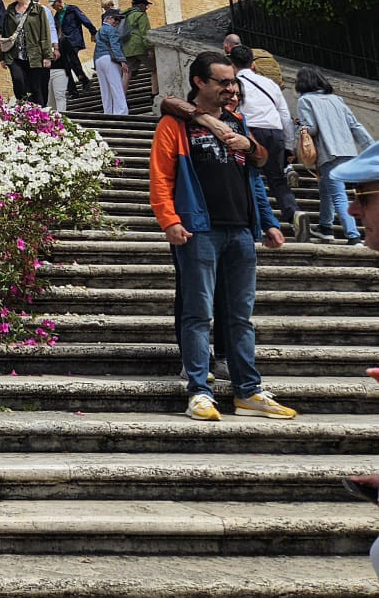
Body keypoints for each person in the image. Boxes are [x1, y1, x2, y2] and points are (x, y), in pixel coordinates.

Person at [150, 51, 293, 421]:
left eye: (232, 82)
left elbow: (254, 179)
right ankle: (199, 390)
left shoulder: (237, 122)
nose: (231, 88)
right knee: (198, 314)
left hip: (241, 230)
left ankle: (249, 390)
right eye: (223, 82)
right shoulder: (175, 124)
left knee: (241, 317)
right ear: (200, 82)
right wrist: (169, 219)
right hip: (199, 228)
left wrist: (268, 222)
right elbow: (161, 177)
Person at [295, 68, 375, 244]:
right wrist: (370, 147)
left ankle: (353, 236)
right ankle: (325, 226)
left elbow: (312, 128)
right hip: (348, 151)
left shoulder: (304, 101)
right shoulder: (337, 100)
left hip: (328, 152)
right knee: (326, 190)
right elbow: (355, 125)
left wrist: (298, 128)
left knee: (338, 194)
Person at [228, 43, 297, 225]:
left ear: (232, 65)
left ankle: (256, 221)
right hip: (275, 131)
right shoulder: (269, 84)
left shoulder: (235, 85)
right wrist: (289, 146)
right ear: (252, 63)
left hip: (249, 132)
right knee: (278, 179)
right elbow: (285, 115)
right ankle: (293, 214)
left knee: (250, 177)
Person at [0, 0, 53, 104]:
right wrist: (2, 56)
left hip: (33, 55)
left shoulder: (38, 9)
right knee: (18, 81)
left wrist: (47, 56)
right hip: (14, 55)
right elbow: (6, 34)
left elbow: (44, 33)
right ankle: (23, 108)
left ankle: (38, 114)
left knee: (35, 87)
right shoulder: (10, 9)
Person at [50, 0, 96, 91]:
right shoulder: (57, 16)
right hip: (63, 43)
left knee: (72, 60)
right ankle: (73, 89)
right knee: (65, 64)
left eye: (54, 5)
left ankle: (83, 80)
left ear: (59, 1)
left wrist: (93, 32)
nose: (53, 8)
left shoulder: (72, 9)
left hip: (74, 40)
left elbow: (85, 20)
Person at [93, 11, 129, 116]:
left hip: (98, 59)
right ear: (108, 18)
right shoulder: (111, 30)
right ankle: (121, 112)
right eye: (116, 19)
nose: (117, 22)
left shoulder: (99, 32)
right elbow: (115, 46)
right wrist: (122, 60)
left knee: (105, 89)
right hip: (109, 59)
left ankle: (107, 112)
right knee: (116, 85)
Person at [121, 0, 155, 92]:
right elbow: (145, 33)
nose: (146, 8)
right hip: (139, 47)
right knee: (155, 69)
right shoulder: (141, 15)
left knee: (127, 73)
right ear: (141, 5)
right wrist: (150, 48)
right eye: (145, 6)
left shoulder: (125, 15)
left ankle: (121, 99)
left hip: (127, 48)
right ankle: (154, 93)